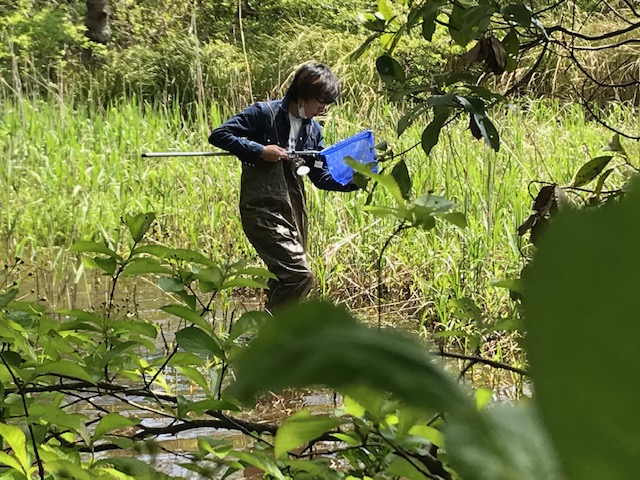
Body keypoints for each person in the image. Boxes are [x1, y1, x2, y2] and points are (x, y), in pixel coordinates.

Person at [208, 61, 358, 312]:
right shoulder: (264, 114)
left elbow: (319, 178)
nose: (323, 108)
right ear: (303, 93)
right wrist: (259, 150)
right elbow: (220, 134)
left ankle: (265, 338)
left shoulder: (313, 131)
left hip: (293, 210)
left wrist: (353, 182)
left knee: (283, 278)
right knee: (300, 275)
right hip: (261, 207)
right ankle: (273, 333)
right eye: (320, 101)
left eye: (327, 103)